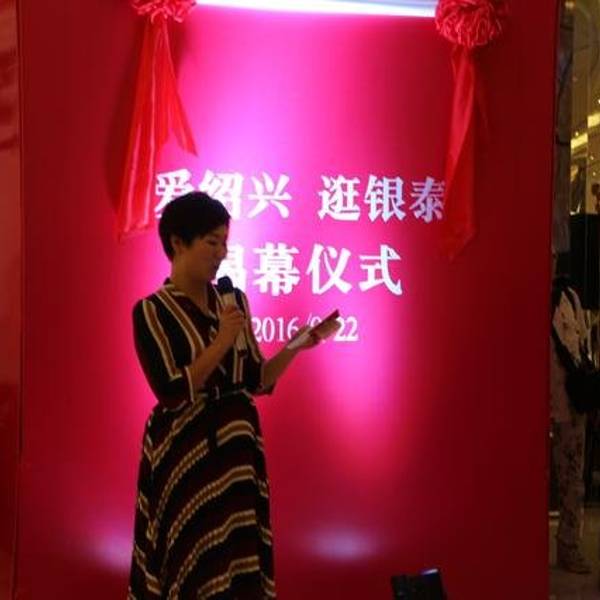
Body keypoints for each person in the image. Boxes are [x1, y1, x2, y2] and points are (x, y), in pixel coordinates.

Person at [127, 192, 324, 599]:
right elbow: (171, 389)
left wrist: (295, 346)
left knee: (238, 561)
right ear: (178, 243)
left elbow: (255, 380)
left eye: (224, 242)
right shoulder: (152, 310)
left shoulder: (233, 303)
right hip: (186, 450)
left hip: (237, 452)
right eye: (211, 242)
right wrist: (220, 341)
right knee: (193, 552)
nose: (221, 253)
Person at [550, 268, 591, 574]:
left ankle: (568, 547)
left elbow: (580, 348)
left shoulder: (568, 297)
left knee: (572, 482)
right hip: (543, 405)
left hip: (569, 407)